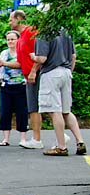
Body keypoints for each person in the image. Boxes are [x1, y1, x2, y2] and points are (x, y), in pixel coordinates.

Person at [31, 27, 87, 156]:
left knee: (55, 110)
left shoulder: (44, 33)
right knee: (66, 110)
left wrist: (33, 56)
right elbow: (73, 56)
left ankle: (61, 146)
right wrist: (69, 72)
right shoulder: (66, 32)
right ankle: (80, 141)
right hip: (66, 72)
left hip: (51, 72)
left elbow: (42, 58)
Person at [7, 9, 42, 148]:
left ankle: (37, 139)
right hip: (27, 76)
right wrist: (3, 63)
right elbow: (20, 63)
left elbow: (40, 53)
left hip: (36, 75)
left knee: (38, 107)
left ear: (19, 18)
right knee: (33, 108)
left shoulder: (30, 31)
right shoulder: (21, 38)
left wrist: (34, 71)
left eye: (11, 19)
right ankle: (39, 137)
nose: (9, 22)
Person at [0, 30, 28, 146]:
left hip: (21, 86)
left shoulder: (22, 52)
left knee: (22, 112)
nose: (10, 41)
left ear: (18, 40)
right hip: (7, 86)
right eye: (8, 39)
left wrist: (26, 80)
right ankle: (5, 139)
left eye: (13, 39)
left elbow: (24, 65)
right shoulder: (4, 53)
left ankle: (23, 138)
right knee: (5, 112)